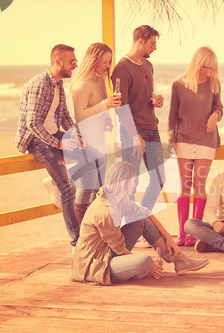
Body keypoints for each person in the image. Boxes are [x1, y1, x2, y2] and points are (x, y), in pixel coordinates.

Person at [71, 161, 209, 285]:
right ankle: (138, 268)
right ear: (123, 182)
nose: (135, 183)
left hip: (108, 251)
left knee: (142, 221)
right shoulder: (107, 212)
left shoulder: (120, 199)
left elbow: (147, 213)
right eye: (133, 180)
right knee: (145, 261)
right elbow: (119, 250)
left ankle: (180, 261)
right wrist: (150, 268)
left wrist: (168, 238)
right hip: (96, 265)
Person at [15, 44, 83, 247]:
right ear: (58, 62)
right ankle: (77, 243)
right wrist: (59, 143)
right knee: (68, 190)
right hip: (36, 139)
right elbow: (33, 124)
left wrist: (76, 136)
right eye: (72, 61)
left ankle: (53, 181)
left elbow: (64, 115)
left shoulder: (58, 84)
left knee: (91, 158)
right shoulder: (39, 84)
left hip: (54, 134)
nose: (75, 64)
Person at [168, 46, 223, 246]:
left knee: (199, 184)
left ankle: (194, 233)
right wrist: (171, 139)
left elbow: (219, 106)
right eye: (204, 67)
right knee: (185, 185)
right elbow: (172, 115)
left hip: (206, 141)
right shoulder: (178, 85)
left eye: (211, 68)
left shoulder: (214, 84)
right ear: (196, 63)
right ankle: (182, 234)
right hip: (183, 139)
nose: (207, 71)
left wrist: (215, 116)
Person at [111, 25, 165, 211]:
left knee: (159, 179)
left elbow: (143, 97)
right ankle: (130, 225)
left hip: (153, 129)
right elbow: (121, 107)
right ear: (140, 41)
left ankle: (139, 219)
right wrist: (136, 136)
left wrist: (155, 100)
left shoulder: (148, 65)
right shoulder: (122, 68)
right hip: (132, 132)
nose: (155, 47)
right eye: (152, 43)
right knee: (130, 184)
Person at [70, 42, 121, 223]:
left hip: (100, 144)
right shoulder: (82, 84)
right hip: (87, 145)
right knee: (86, 193)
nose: (107, 66)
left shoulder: (99, 80)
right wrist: (105, 105)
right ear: (94, 60)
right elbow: (80, 115)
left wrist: (106, 118)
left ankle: (94, 231)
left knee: (99, 191)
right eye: (105, 62)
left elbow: (97, 108)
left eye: (109, 62)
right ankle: (82, 236)